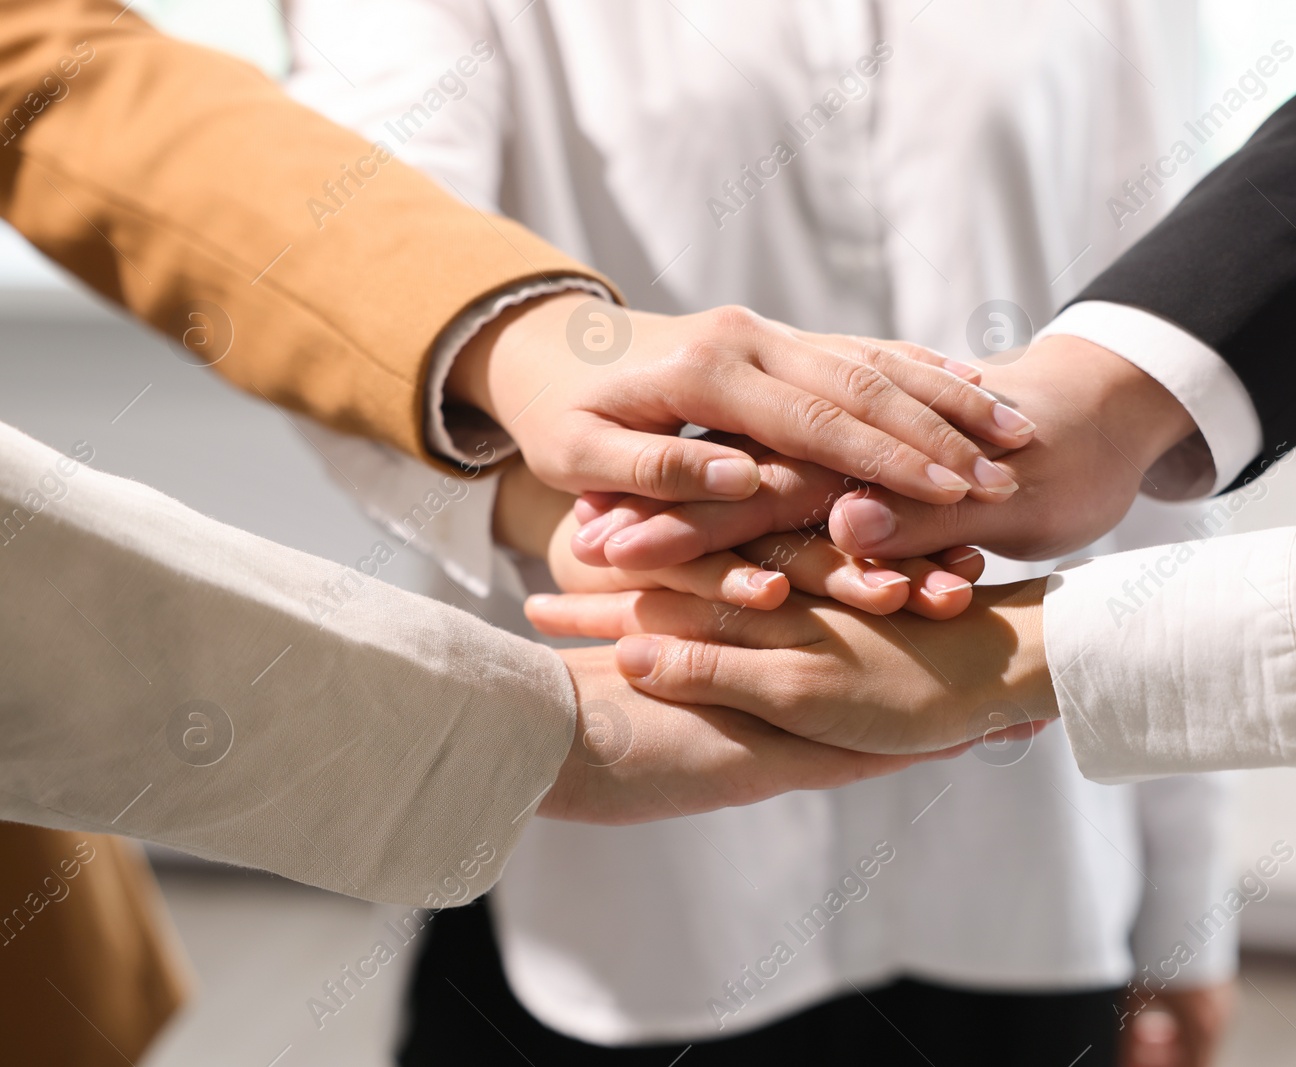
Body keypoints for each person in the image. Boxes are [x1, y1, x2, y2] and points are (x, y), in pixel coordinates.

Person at [0, 0, 999, 1060]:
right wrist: (530, 720)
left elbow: (53, 70)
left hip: (1010, 873)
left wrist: (522, 337)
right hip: (618, 883)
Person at [285, 2, 1238, 1063]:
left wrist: (1185, 904)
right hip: (632, 857)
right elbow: (338, 283)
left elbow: (1153, 406)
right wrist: (578, 525)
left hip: (1024, 850)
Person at [540, 0, 1296, 784]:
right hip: (640, 763)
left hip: (1034, 832)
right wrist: (1087, 400)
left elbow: (1150, 532)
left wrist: (1042, 653)